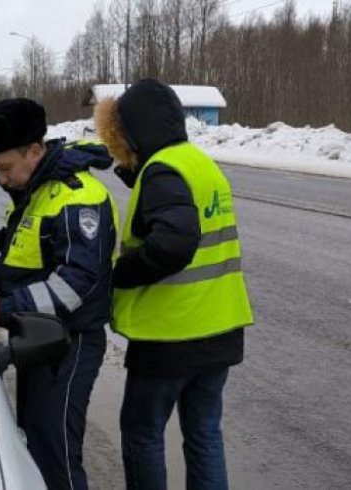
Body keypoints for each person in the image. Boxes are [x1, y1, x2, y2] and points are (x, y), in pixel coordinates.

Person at [93, 78, 253, 490]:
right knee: (204, 434)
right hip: (219, 328)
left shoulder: (163, 172)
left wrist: (120, 273)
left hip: (171, 335)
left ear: (132, 132)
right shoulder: (199, 163)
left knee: (142, 432)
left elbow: (174, 242)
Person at [0, 98, 117, 490]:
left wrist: (2, 309)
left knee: (56, 453)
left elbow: (74, 283)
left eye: (4, 167)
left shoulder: (76, 196)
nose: (0, 178)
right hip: (37, 339)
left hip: (70, 343)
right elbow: (23, 266)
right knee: (34, 440)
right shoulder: (36, 190)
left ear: (35, 151)